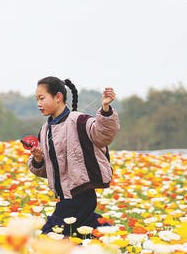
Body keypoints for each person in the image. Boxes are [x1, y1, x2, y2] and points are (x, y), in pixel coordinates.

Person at [27, 77, 119, 236]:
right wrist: (38, 159)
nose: (39, 104)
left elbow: (103, 135)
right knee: (85, 231)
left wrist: (105, 108)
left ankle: (112, 239)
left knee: (50, 236)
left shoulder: (79, 121)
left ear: (58, 97)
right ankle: (113, 237)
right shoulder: (45, 130)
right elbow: (46, 170)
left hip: (80, 194)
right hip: (64, 197)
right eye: (37, 99)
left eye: (42, 98)